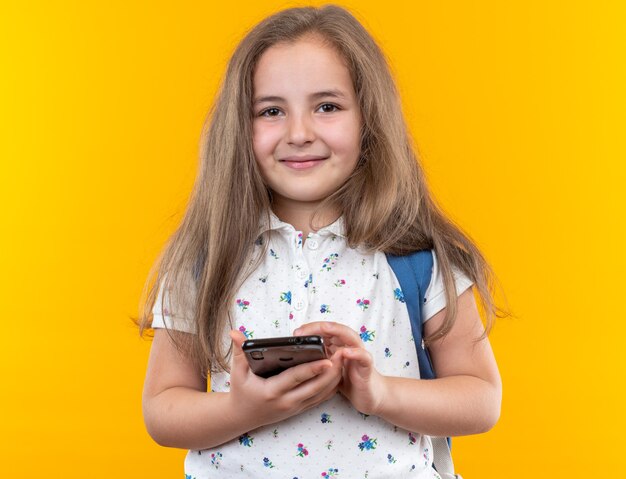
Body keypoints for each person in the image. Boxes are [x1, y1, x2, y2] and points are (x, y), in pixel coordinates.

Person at [139, 5, 503, 478]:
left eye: (327, 107)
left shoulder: (416, 254)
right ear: (239, 128)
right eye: (271, 111)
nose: (299, 133)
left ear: (367, 117)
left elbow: (481, 399)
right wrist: (242, 409)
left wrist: (379, 393)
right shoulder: (204, 260)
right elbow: (162, 410)